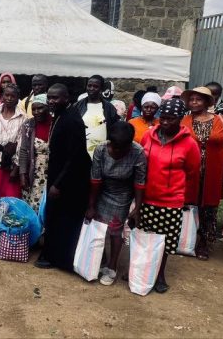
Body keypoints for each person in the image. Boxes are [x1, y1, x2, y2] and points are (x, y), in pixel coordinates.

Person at [137, 98, 201, 293]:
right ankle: (141, 271)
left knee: (164, 241)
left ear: (180, 119)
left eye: (171, 119)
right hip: (146, 197)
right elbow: (140, 164)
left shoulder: (189, 144)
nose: (165, 122)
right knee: (144, 238)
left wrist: (179, 192)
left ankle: (159, 274)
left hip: (170, 200)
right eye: (162, 118)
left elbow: (192, 172)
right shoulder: (148, 136)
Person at [181, 86, 223, 260]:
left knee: (209, 207)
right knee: (189, 204)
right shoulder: (184, 120)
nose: (194, 102)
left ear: (207, 102)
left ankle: (204, 243)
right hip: (190, 171)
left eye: (198, 99)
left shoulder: (222, 120)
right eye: (191, 99)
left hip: (214, 172)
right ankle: (187, 240)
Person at [36, 84, 90, 271]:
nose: (51, 101)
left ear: (66, 98)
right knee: (55, 217)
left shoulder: (72, 120)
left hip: (69, 180)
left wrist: (58, 184)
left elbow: (75, 156)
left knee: (65, 220)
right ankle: (52, 255)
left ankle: (61, 259)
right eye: (49, 97)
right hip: (59, 174)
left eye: (55, 98)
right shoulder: (60, 115)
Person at [87, 122, 147, 286]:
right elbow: (95, 179)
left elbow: (139, 182)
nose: (117, 151)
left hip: (122, 193)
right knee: (98, 226)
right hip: (101, 190)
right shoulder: (101, 149)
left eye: (122, 148)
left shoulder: (138, 152)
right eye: (114, 147)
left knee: (115, 230)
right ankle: (99, 260)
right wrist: (91, 205)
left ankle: (112, 266)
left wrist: (137, 208)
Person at [0, 83, 26, 198]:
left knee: (11, 199)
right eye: (7, 95)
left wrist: (16, 169)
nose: (9, 98)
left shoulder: (23, 118)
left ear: (17, 98)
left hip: (13, 165)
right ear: (2, 96)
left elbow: (21, 145)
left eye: (13, 96)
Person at [17, 94, 52, 211]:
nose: (36, 112)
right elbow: (23, 151)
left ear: (48, 107)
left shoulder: (56, 123)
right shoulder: (28, 125)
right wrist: (22, 174)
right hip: (34, 172)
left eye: (40, 108)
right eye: (34, 109)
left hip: (53, 172)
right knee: (34, 206)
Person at [74, 75, 121, 158]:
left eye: (95, 86)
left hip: (103, 153)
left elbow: (115, 129)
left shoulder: (109, 108)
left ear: (101, 89)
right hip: (80, 152)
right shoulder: (77, 106)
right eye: (89, 86)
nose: (91, 88)